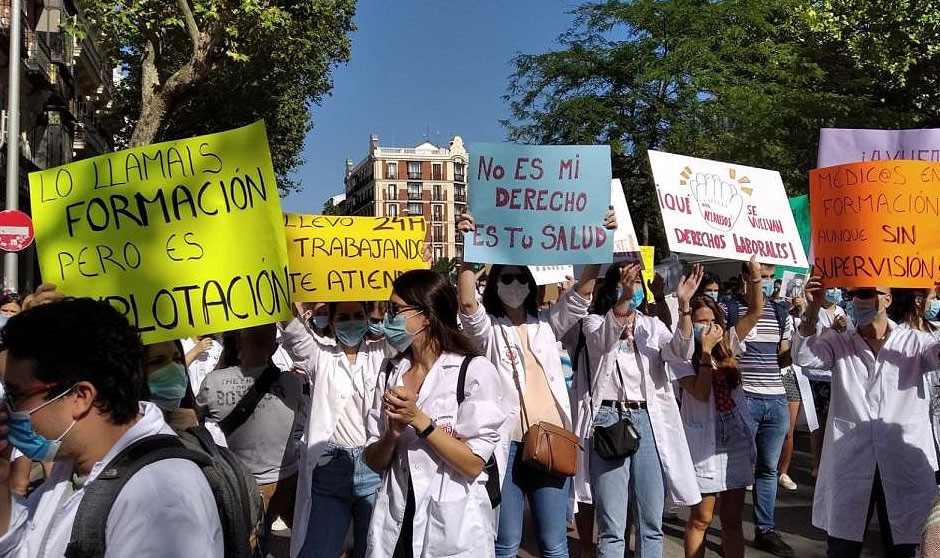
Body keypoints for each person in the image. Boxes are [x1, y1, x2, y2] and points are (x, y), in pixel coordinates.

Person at [0, 296, 223, 555]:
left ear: (80, 397)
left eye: (17, 396)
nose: (7, 409)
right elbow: (24, 548)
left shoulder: (160, 499)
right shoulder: (73, 465)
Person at [457, 209, 615, 558]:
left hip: (550, 440)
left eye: (521, 279)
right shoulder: (488, 331)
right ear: (495, 284)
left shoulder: (546, 324)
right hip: (507, 446)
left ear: (532, 285)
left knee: (554, 542)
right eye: (506, 279)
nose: (514, 286)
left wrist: (600, 242)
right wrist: (468, 253)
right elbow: (468, 303)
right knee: (505, 542)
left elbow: (581, 296)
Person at [363, 269, 506, 558]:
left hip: (452, 524)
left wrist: (419, 420)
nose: (388, 318)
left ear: (426, 315)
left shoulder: (472, 371)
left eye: (396, 309)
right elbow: (374, 461)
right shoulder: (391, 371)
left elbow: (473, 463)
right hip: (397, 518)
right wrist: (392, 435)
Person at [795, 277, 940, 558]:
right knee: (843, 547)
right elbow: (803, 356)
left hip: (902, 462)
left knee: (906, 545)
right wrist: (812, 310)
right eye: (854, 294)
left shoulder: (915, 343)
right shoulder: (839, 343)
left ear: (887, 299)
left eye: (866, 293)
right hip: (851, 460)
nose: (858, 300)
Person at [579, 262, 702, 558]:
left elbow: (680, 352)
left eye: (637, 282)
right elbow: (601, 342)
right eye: (628, 281)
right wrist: (623, 299)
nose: (635, 288)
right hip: (609, 420)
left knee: (651, 522)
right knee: (612, 527)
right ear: (614, 286)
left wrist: (685, 307)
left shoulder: (652, 326)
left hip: (648, 420)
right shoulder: (594, 322)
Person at [279, 298, 386, 558]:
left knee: (372, 550)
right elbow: (290, 327)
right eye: (344, 318)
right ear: (332, 322)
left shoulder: (383, 353)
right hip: (329, 468)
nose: (352, 323)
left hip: (374, 468)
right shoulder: (319, 355)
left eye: (358, 316)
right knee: (317, 551)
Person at [198, 324, 305, 536]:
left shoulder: (213, 382)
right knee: (306, 542)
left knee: (251, 547)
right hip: (290, 480)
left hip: (248, 487)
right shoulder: (292, 382)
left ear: (238, 341)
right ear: (274, 347)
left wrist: (223, 361)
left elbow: (195, 416)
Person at [722, 260, 794, 556]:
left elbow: (785, 357)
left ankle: (765, 530)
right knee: (736, 470)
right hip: (744, 400)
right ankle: (731, 532)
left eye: (768, 277)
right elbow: (724, 350)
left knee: (768, 469)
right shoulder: (729, 309)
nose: (765, 282)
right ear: (744, 278)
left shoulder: (781, 312)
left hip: (776, 400)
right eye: (758, 276)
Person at [679, 292, 757, 558]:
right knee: (701, 517)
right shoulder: (682, 355)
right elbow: (700, 392)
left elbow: (755, 311)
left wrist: (756, 275)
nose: (709, 327)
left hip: (734, 435)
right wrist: (704, 352)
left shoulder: (728, 345)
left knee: (732, 520)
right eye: (701, 321)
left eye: (713, 321)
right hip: (704, 440)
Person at [777, 295, 806, 491]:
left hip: (790, 376)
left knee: (788, 430)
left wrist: (804, 311)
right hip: (765, 376)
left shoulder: (793, 318)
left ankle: (783, 472)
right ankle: (756, 468)